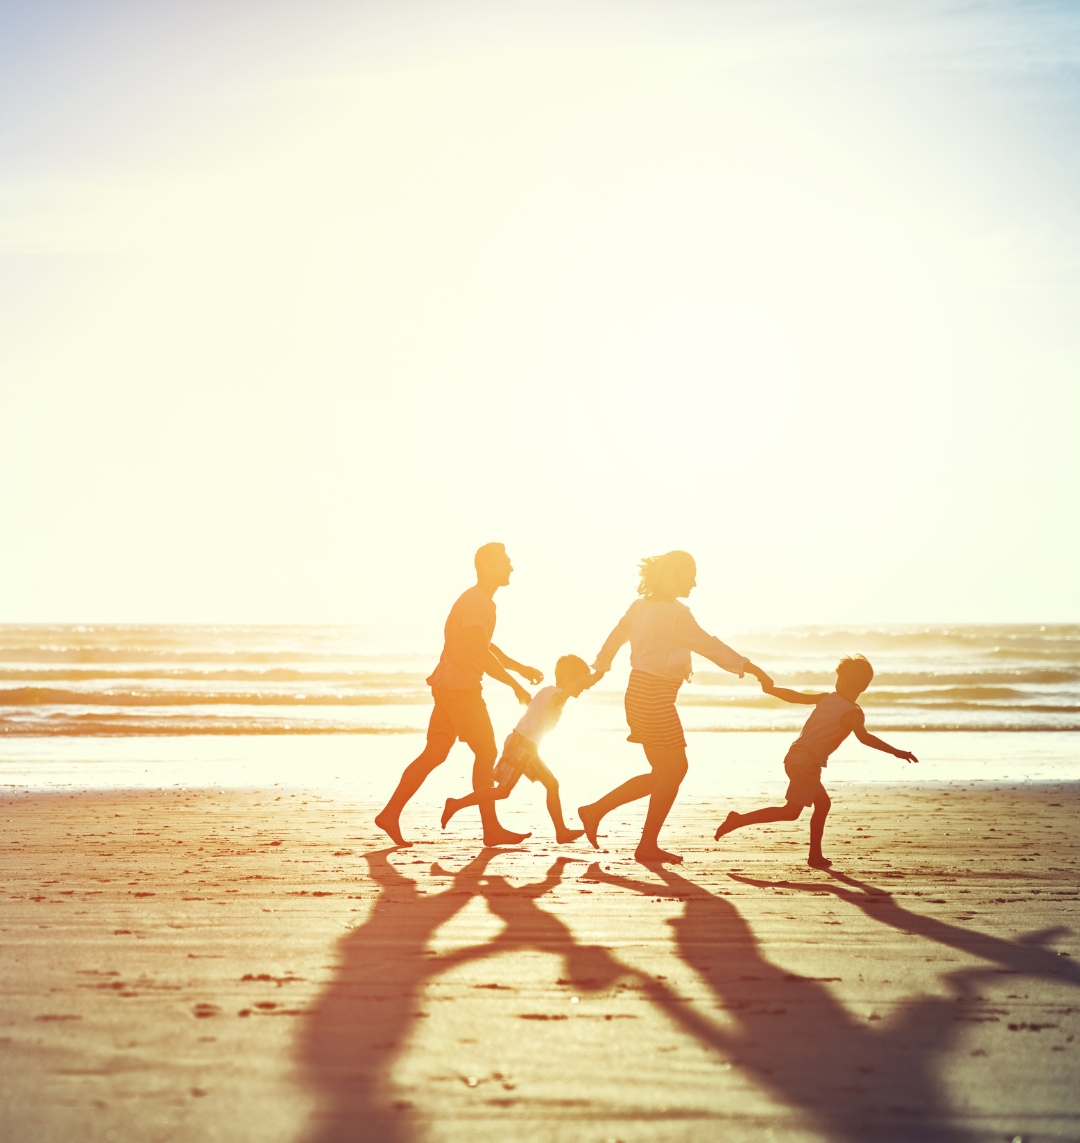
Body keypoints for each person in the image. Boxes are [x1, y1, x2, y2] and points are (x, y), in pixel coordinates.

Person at [578, 550, 770, 865]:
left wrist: (600, 668)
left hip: (639, 694)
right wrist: (750, 667)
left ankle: (597, 812)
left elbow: (616, 636)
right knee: (675, 770)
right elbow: (708, 644)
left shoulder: (640, 607)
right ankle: (642, 842)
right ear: (673, 577)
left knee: (665, 772)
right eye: (690, 577)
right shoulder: (675, 614)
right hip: (653, 697)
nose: (694, 583)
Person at [374, 543, 543, 848]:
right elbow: (480, 652)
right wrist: (514, 685)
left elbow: (485, 645)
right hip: (460, 690)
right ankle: (491, 829)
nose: (511, 567)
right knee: (486, 752)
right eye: (505, 562)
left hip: (449, 686)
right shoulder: (476, 602)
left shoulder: (480, 601)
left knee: (435, 753)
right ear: (488, 566)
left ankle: (390, 814)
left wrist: (519, 669)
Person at [714, 655, 918, 868]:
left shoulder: (828, 698)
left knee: (822, 804)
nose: (837, 682)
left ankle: (815, 856)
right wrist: (896, 751)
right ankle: (739, 820)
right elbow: (864, 738)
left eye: (841, 679)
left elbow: (796, 697)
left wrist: (772, 690)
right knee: (791, 812)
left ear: (853, 684)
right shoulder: (853, 712)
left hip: (796, 757)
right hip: (807, 762)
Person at [441, 654, 602, 843]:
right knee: (503, 791)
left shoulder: (550, 691)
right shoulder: (554, 694)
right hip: (521, 746)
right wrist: (577, 684)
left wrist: (600, 671)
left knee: (551, 784)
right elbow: (561, 697)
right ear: (568, 680)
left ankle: (561, 831)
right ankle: (456, 804)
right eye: (580, 682)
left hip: (528, 748)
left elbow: (581, 685)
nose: (584, 688)